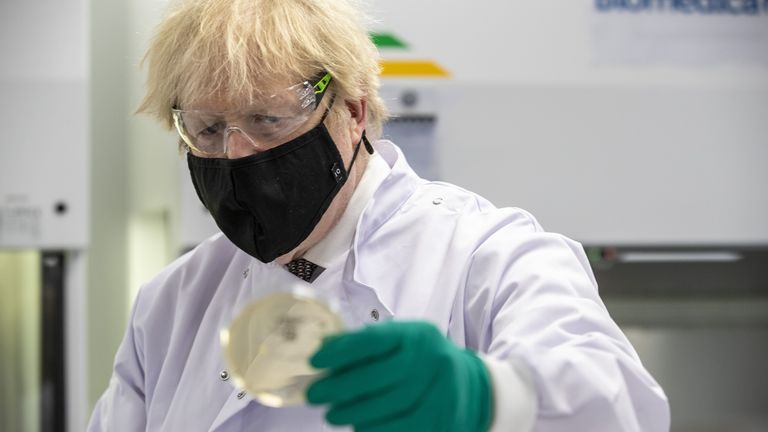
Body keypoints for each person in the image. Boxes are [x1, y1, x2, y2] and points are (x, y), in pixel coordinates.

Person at [88, 0, 670, 430]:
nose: (237, 155)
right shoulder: (170, 303)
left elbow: (619, 404)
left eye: (268, 120)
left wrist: (486, 394)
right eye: (209, 130)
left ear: (353, 112)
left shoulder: (488, 255)